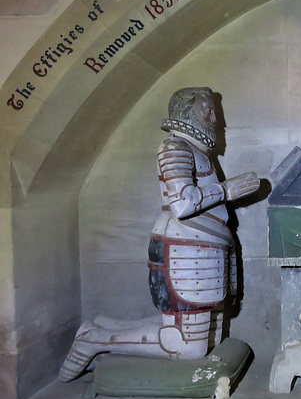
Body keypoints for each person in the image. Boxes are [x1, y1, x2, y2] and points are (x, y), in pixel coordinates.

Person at [59, 87, 260, 381]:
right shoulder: (175, 147)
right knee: (189, 347)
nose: (216, 118)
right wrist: (228, 190)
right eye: (208, 109)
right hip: (187, 248)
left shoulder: (195, 149)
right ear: (187, 112)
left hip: (205, 247)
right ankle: (95, 341)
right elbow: (182, 202)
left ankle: (103, 327)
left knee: (209, 338)